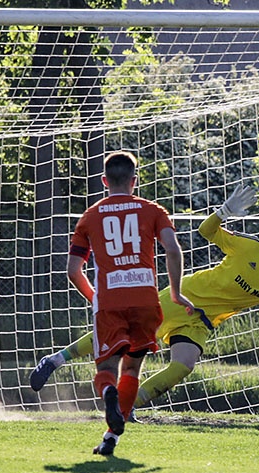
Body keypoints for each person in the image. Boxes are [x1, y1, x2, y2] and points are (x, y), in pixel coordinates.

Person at [31, 183, 259, 416]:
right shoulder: (245, 247)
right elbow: (206, 230)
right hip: (183, 298)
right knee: (119, 338)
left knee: (185, 364)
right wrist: (225, 211)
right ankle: (56, 358)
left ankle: (129, 406)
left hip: (202, 323)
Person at [66, 151, 194, 456]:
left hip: (110, 300)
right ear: (134, 181)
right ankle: (111, 438)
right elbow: (173, 251)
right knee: (132, 369)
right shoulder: (153, 211)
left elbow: (73, 270)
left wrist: (95, 298)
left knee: (107, 366)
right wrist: (175, 293)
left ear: (104, 180)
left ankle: (108, 393)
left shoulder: (90, 216)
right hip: (146, 300)